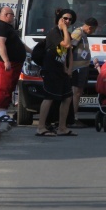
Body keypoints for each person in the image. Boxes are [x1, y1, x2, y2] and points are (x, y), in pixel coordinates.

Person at [35, 9, 76, 137]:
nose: (67, 21)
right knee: (49, 97)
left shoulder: (66, 33)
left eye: (70, 19)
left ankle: (62, 127)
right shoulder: (54, 32)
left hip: (60, 70)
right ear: (59, 19)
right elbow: (66, 44)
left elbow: (64, 52)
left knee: (67, 97)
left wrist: (68, 68)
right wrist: (63, 28)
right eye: (65, 18)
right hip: (51, 69)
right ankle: (40, 127)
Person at [0, 6, 29, 124]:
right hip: (6, 63)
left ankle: (4, 111)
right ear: (6, 15)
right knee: (4, 86)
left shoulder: (8, 28)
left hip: (14, 63)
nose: (13, 17)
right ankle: (1, 113)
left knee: (9, 87)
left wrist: (32, 51)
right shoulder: (1, 27)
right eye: (12, 15)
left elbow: (19, 44)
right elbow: (0, 44)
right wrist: (6, 60)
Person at [69, 17, 98, 127]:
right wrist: (70, 66)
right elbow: (69, 48)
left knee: (78, 92)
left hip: (82, 67)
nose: (93, 32)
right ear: (90, 27)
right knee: (75, 92)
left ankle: (73, 116)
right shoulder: (78, 33)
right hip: (77, 68)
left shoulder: (84, 34)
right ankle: (72, 118)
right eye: (94, 30)